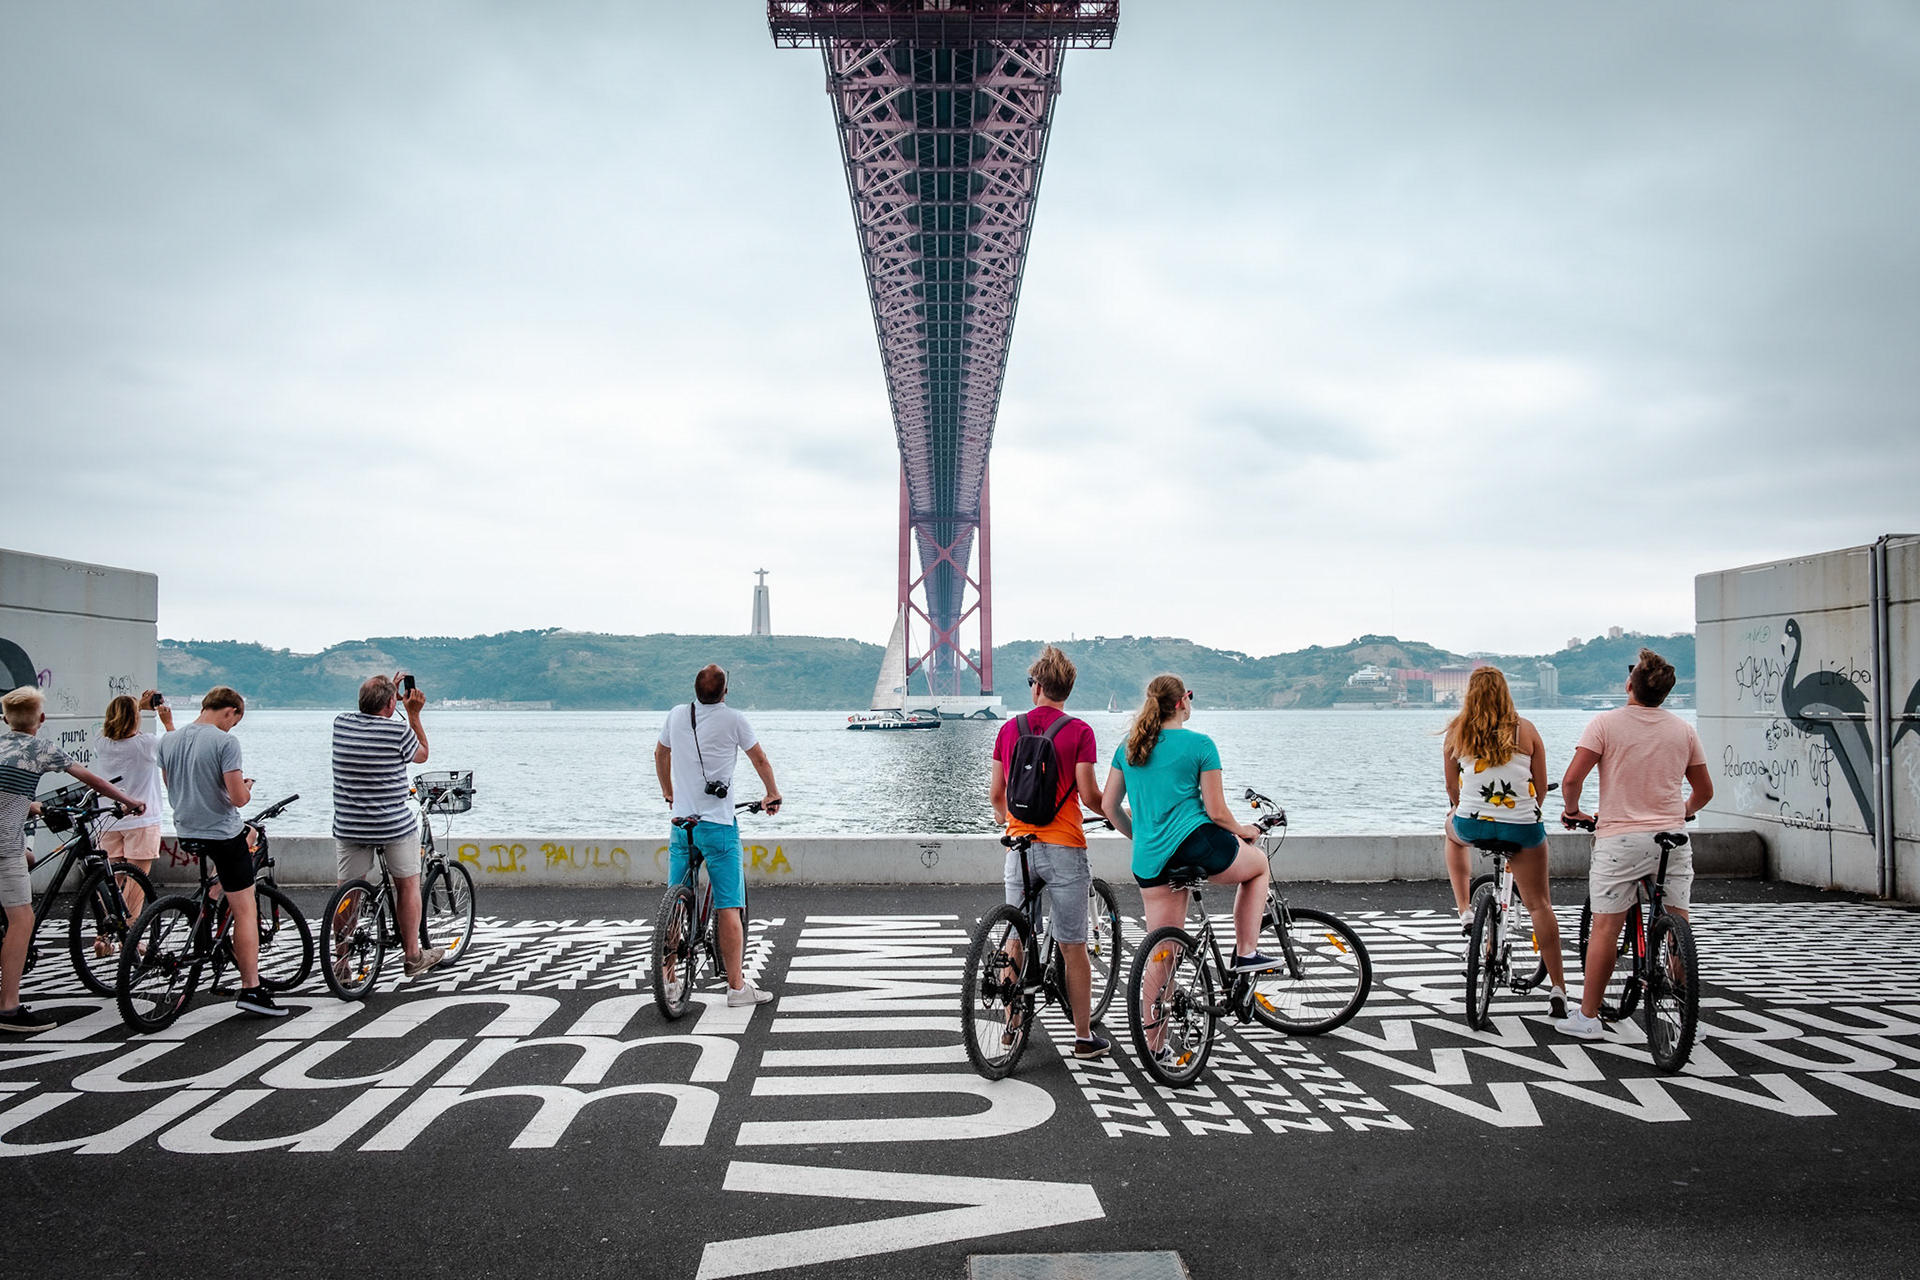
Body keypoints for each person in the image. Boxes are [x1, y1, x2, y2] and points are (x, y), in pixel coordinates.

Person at [1555, 648, 1713, 1040]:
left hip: (1620, 839)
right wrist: (1684, 812)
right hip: (1672, 838)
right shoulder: (1683, 730)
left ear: (1630, 685)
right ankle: (1683, 1010)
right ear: (1666, 694)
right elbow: (1704, 791)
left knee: (1606, 927)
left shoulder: (1605, 724)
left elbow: (1572, 780)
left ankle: (1588, 1017)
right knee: (1678, 921)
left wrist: (1574, 811)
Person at [1100, 674, 1278, 1019]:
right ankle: (1246, 953)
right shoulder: (1201, 745)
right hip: (1196, 844)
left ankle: (1154, 1047)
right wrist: (1246, 830)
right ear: (1181, 702)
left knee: (1163, 952)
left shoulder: (1128, 746)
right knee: (1257, 867)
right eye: (1190, 696)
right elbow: (1217, 812)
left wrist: (1142, 837)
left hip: (1150, 859)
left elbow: (1109, 806)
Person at [1, 686, 147, 1032]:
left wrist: (34, 805)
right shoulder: (41, 747)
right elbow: (91, 779)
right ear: (41, 719)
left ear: (5, 719)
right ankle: (7, 1008)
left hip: (12, 844)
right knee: (22, 920)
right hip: (2, 845)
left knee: (30, 856)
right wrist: (130, 800)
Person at [988, 646, 1109, 1059]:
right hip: (1064, 848)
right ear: (1067, 691)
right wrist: (1122, 813)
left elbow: (996, 795)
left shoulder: (1009, 730)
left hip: (1019, 847)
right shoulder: (1079, 732)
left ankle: (1010, 1027)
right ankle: (1082, 1037)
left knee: (1015, 936)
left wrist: (1016, 825)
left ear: (1037, 687)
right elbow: (1091, 796)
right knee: (1072, 944)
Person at [1441, 667, 1568, 1017]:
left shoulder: (1458, 730)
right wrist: (1527, 814)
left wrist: (1458, 808)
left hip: (1472, 825)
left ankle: (1465, 910)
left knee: (1451, 833)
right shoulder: (1526, 729)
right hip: (1521, 828)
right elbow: (1539, 788)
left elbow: (1453, 788)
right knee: (1540, 904)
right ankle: (1558, 989)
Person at [654, 664, 783, 1006]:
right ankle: (737, 989)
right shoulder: (735, 719)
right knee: (729, 905)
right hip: (718, 827)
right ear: (725, 692)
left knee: (676, 899)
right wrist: (772, 793)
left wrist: (669, 794)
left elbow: (660, 754)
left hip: (682, 824)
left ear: (695, 691)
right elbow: (760, 759)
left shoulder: (676, 716)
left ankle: (668, 980)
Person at [155, 686, 285, 1018]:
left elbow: (172, 786)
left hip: (185, 829)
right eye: (234, 721)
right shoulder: (225, 742)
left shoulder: (168, 741)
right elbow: (238, 799)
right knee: (245, 911)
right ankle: (251, 988)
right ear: (229, 711)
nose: (232, 728)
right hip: (221, 834)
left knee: (237, 852)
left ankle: (210, 899)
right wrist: (249, 786)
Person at [331, 673, 443, 981]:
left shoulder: (341, 723)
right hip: (392, 826)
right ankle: (413, 955)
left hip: (350, 824)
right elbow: (421, 754)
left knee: (346, 893)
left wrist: (388, 690)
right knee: (407, 885)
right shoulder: (397, 731)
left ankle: (341, 964)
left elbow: (370, 711)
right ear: (391, 704)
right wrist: (414, 714)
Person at [90, 690, 174, 934]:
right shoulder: (146, 743)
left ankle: (105, 935)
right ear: (135, 718)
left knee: (110, 881)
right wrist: (166, 721)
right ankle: (131, 938)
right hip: (142, 820)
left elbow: (119, 721)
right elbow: (175, 747)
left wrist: (136, 704)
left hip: (108, 819)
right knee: (136, 882)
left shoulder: (101, 742)